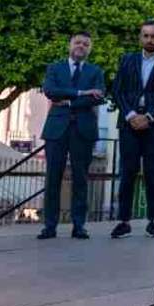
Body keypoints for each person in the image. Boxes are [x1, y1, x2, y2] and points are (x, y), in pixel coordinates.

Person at [110, 21, 154, 239]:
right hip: (129, 123)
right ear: (140, 37)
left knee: (152, 172)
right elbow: (117, 90)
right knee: (127, 171)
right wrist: (131, 115)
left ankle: (153, 220)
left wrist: (149, 116)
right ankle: (123, 221)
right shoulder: (127, 60)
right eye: (145, 36)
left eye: (153, 36)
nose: (149, 40)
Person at [37, 32, 105, 240]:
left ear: (89, 49)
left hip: (83, 130)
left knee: (81, 179)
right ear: (70, 45)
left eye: (86, 44)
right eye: (78, 42)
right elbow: (50, 91)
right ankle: (49, 226)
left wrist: (66, 100)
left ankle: (79, 226)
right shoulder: (54, 68)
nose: (81, 46)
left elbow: (98, 97)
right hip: (56, 130)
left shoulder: (96, 71)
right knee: (52, 178)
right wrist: (82, 93)